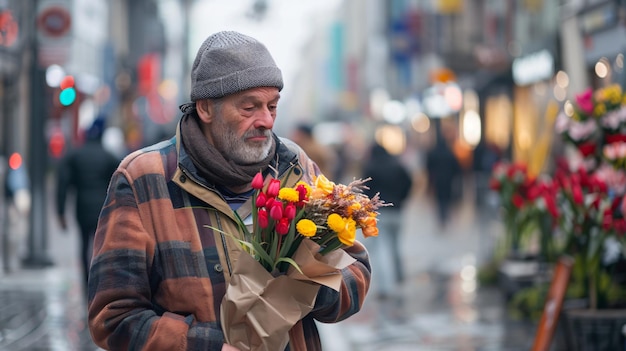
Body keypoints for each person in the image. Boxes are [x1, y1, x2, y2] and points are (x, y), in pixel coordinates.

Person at [87, 31, 371, 351]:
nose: (266, 120)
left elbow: (356, 270)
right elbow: (113, 318)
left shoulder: (296, 166)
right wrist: (208, 346)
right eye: (249, 107)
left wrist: (313, 286)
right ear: (206, 109)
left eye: (273, 106)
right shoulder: (144, 178)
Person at [55, 117, 120, 295]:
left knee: (83, 244)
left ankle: (86, 283)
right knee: (101, 245)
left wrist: (60, 212)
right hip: (102, 208)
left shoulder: (75, 156)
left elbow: (63, 184)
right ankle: (100, 280)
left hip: (81, 207)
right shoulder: (108, 157)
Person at [361, 142, 412, 304]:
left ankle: (384, 288)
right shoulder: (397, 165)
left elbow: (365, 191)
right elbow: (409, 182)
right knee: (396, 246)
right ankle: (399, 277)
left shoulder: (371, 167)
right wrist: (402, 199)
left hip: (379, 214)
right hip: (397, 211)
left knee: (381, 250)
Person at [425, 121, 462, 228]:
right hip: (448, 180)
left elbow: (429, 167)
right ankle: (445, 215)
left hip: (437, 180)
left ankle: (441, 216)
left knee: (439, 199)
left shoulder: (434, 153)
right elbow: (456, 167)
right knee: (446, 198)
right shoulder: (449, 153)